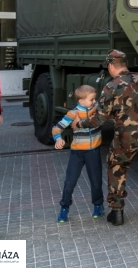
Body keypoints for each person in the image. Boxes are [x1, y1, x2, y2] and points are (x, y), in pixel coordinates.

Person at [73, 50, 138, 225]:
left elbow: (99, 119)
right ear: (125, 64)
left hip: (124, 137)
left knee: (117, 168)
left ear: (111, 65)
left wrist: (79, 124)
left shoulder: (110, 87)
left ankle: (117, 212)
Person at [53, 85, 105, 223]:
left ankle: (98, 205)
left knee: (96, 181)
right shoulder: (73, 114)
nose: (94, 101)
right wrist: (58, 138)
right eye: (91, 99)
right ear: (81, 101)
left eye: (95, 98)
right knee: (70, 182)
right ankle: (64, 208)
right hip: (77, 153)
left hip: (93, 151)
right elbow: (56, 128)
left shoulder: (97, 110)